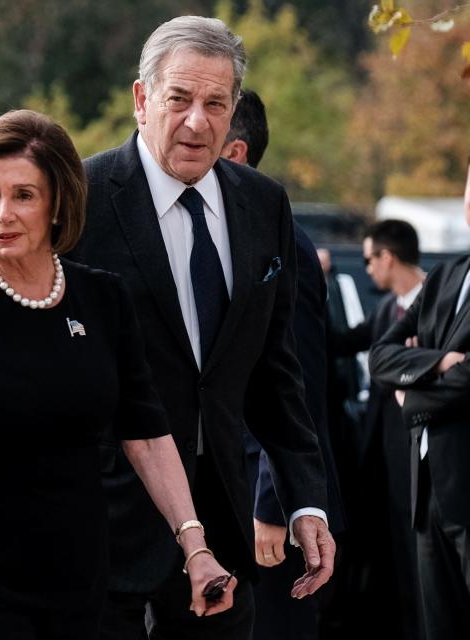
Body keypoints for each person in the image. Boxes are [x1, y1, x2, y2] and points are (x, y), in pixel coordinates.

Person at [0, 109, 235, 640]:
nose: (2, 213)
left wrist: (195, 546)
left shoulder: (104, 298)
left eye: (24, 195)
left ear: (58, 203)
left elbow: (147, 436)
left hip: (79, 564)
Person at [70, 16, 335, 640]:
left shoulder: (262, 204)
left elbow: (275, 369)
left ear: (233, 108)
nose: (198, 122)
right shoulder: (78, 196)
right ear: (141, 99)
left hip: (222, 521)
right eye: (179, 99)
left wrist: (303, 495)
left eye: (216, 103)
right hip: (101, 515)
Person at [220, 90, 346, 640]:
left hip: (267, 505)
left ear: (236, 152)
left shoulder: (279, 241)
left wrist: (274, 502)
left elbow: (292, 383)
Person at [368, 165, 470, 639]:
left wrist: (410, 397)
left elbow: (468, 381)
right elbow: (382, 355)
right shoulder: (446, 276)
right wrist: (438, 362)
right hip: (427, 490)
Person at [329, 219, 425, 640]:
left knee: (420, 561)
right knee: (388, 560)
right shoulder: (387, 310)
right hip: (380, 459)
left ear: (388, 256)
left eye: (369, 259)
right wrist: (321, 281)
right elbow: (340, 341)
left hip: (423, 457)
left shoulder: (443, 301)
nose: (367, 270)